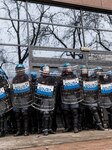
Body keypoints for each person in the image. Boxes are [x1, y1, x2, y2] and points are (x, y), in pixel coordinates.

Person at [34, 64, 56, 136]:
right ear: (41, 71)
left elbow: (55, 88)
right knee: (45, 114)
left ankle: (49, 128)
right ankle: (45, 129)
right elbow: (36, 91)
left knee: (51, 113)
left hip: (51, 99)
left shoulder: (52, 78)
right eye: (44, 70)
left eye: (47, 70)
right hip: (43, 99)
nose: (46, 71)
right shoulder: (39, 79)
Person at [59, 63, 82, 133]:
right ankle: (68, 127)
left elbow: (78, 87)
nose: (70, 69)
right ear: (65, 69)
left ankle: (75, 127)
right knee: (66, 112)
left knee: (74, 111)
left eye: (70, 67)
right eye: (68, 67)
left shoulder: (74, 76)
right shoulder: (61, 77)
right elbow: (59, 86)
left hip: (73, 96)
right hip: (65, 96)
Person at [81, 65, 104, 130]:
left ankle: (100, 124)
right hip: (92, 97)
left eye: (100, 71)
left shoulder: (104, 78)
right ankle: (92, 125)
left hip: (101, 97)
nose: (99, 72)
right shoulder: (91, 78)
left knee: (99, 110)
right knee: (92, 110)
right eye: (98, 71)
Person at [12, 64, 33, 136]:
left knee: (25, 114)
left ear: (23, 70)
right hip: (18, 99)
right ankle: (19, 131)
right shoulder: (14, 79)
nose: (19, 71)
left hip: (25, 99)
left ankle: (26, 130)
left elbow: (30, 87)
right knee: (17, 114)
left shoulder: (27, 77)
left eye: (21, 69)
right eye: (18, 69)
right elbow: (13, 89)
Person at [0, 73, 12, 137]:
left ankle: (3, 131)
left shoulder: (3, 79)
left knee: (2, 115)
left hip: (2, 100)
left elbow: (6, 88)